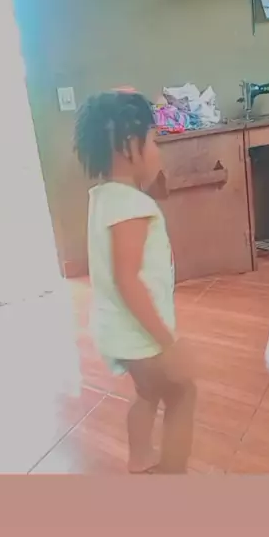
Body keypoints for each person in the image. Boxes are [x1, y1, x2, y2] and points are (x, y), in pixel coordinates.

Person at [74, 90, 197, 474]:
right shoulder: (132, 206)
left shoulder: (106, 197)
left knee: (147, 393)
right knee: (182, 393)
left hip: (118, 328)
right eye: (153, 140)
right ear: (130, 146)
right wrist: (168, 342)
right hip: (137, 334)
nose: (157, 150)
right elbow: (128, 280)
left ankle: (140, 458)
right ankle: (172, 473)